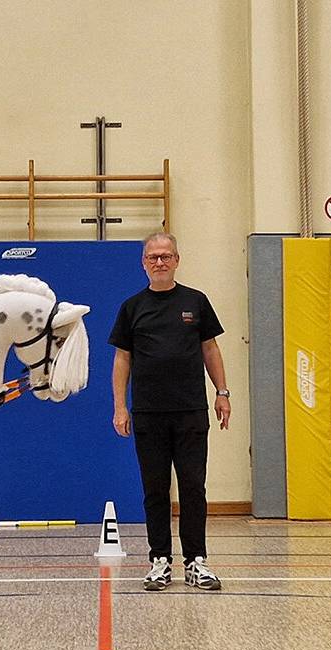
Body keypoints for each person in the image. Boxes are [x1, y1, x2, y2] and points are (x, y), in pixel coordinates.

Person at [109, 231, 231, 591]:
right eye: (153, 257)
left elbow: (210, 350)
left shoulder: (196, 301)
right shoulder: (132, 307)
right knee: (155, 489)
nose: (160, 262)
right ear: (144, 263)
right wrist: (120, 407)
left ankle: (197, 562)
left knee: (193, 487)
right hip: (148, 413)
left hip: (191, 411)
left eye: (166, 256)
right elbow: (122, 360)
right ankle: (160, 560)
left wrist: (222, 392)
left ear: (176, 260)